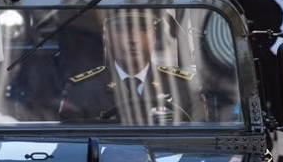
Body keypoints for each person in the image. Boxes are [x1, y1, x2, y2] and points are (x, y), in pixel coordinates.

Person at [58, 9, 191, 125]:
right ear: (106, 36)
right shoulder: (81, 90)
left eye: (143, 28)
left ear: (154, 35)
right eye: (121, 29)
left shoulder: (182, 87)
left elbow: (201, 144)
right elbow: (71, 144)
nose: (133, 39)